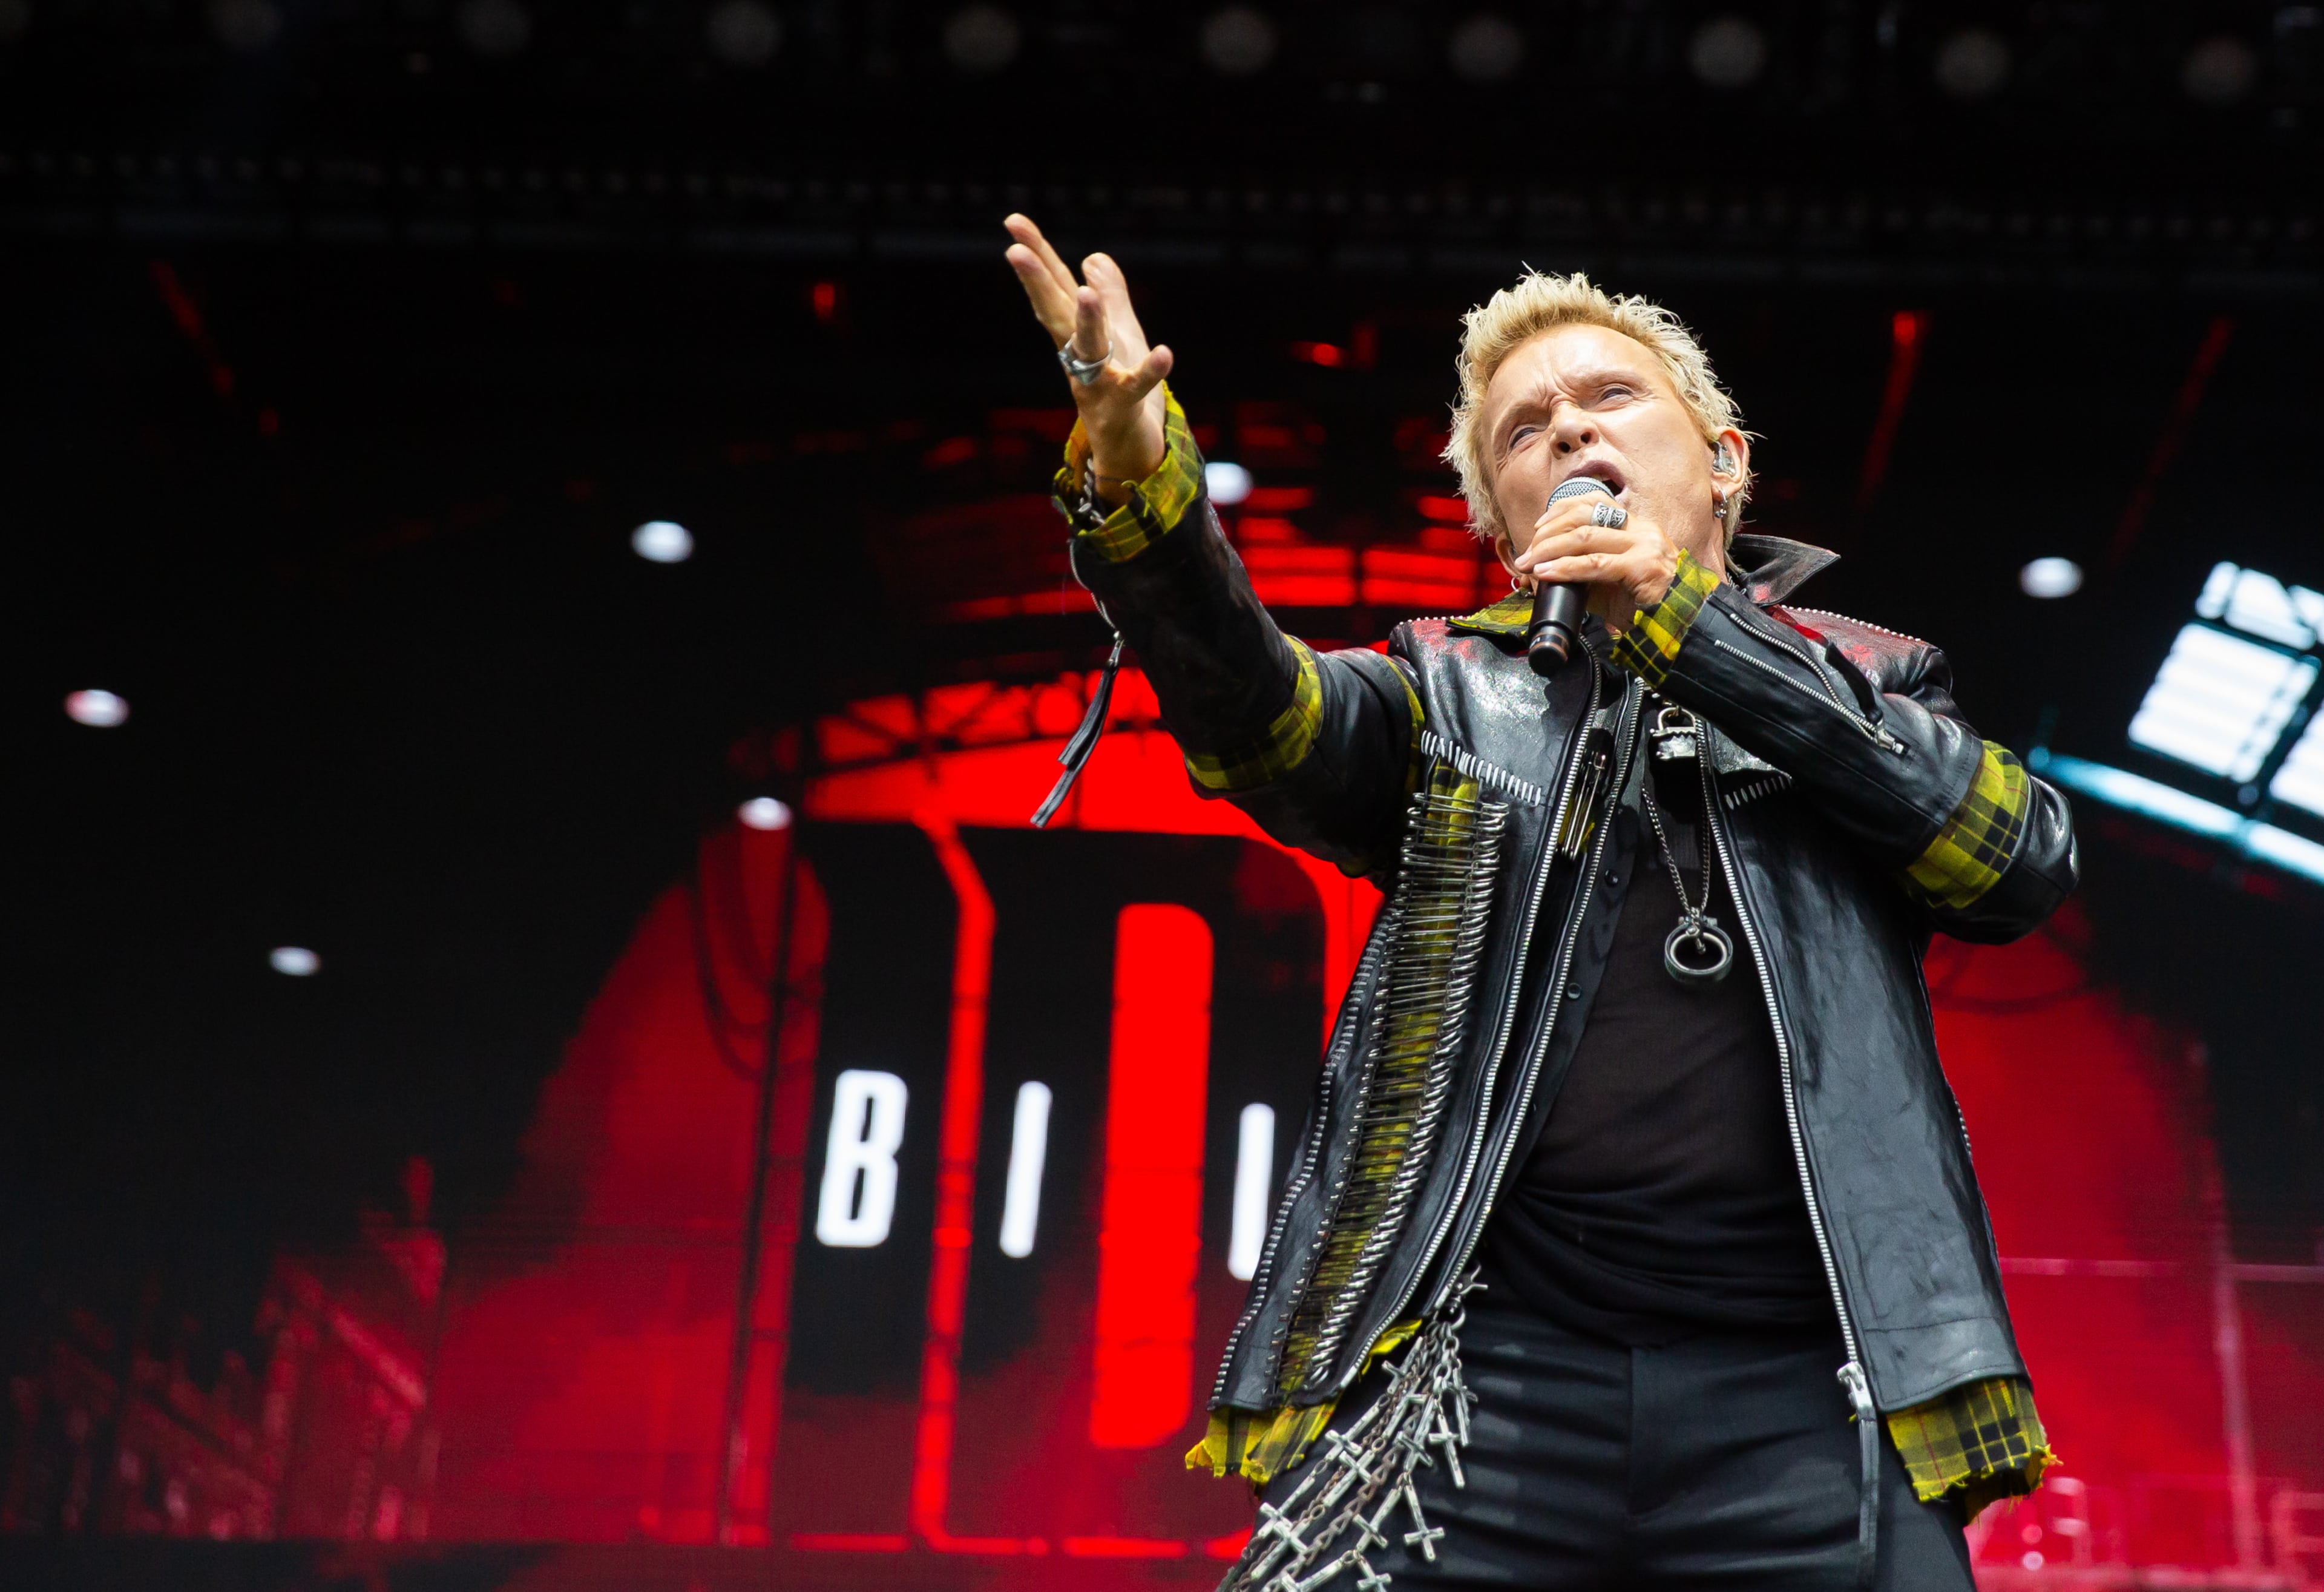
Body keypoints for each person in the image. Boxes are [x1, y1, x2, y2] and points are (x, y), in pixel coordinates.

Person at [1002, 212, 2076, 1591]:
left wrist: (1688, 626)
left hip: (1816, 1390)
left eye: (1609, 396)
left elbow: (2013, 863)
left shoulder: (1872, 678)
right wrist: (1143, 487)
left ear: (1725, 463)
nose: (1569, 428)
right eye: (1524, 430)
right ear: (1506, 535)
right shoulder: (1446, 696)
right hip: (1485, 1383)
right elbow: (1262, 718)